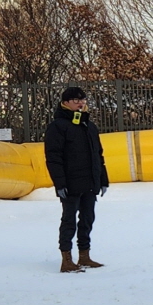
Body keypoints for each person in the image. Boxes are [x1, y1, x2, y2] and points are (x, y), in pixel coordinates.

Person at [44, 86, 109, 273]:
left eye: (83, 100)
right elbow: (53, 157)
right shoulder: (58, 127)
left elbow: (98, 155)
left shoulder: (89, 126)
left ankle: (84, 255)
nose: (80, 103)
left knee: (87, 219)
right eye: (75, 100)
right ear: (65, 103)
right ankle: (66, 259)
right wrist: (60, 183)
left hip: (89, 183)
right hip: (70, 184)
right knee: (69, 220)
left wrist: (103, 179)